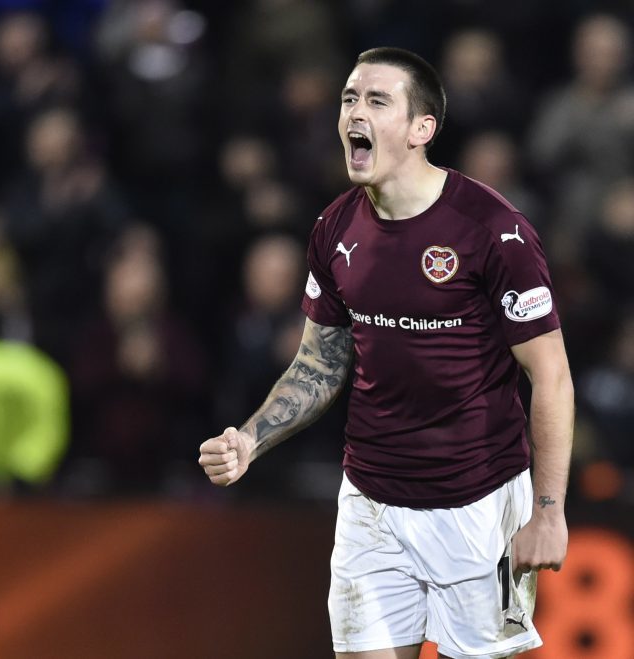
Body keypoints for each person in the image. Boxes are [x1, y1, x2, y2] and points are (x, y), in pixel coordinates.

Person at [199, 47, 573, 659]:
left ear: (422, 129)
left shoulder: (493, 232)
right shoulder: (335, 229)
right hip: (371, 502)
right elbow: (320, 363)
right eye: (349, 98)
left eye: (377, 100)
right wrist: (250, 438)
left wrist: (550, 511)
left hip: (478, 502)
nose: (354, 112)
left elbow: (551, 376)